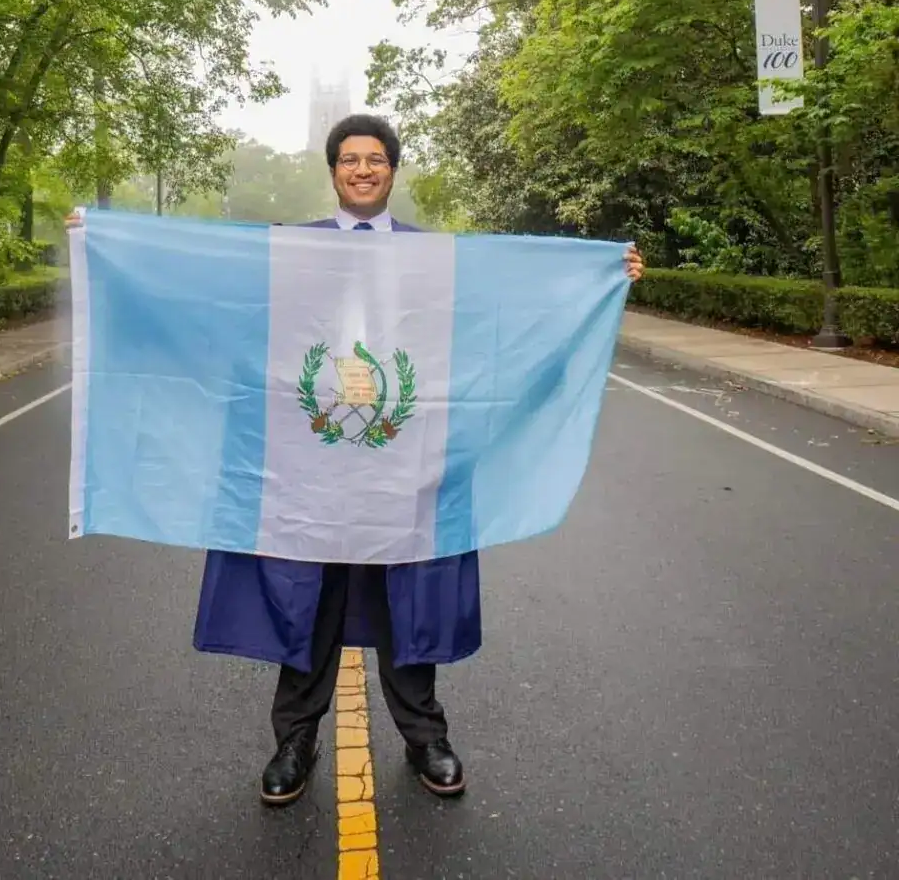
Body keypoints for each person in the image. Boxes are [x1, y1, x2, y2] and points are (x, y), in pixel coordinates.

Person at [191, 114, 646, 806]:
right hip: (312, 468)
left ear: (392, 169)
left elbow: (510, 306)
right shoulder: (291, 251)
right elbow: (210, 289)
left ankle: (424, 734)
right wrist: (98, 244)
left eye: (375, 158)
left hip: (407, 467)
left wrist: (604, 276)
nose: (363, 169)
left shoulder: (436, 258)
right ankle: (295, 738)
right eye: (350, 159)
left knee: (410, 600)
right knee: (309, 599)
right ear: (334, 170)